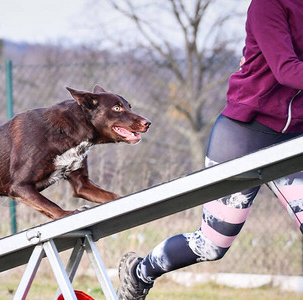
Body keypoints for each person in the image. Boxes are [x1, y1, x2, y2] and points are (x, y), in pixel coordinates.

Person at [117, 0, 303, 298]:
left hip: (295, 136)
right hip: (246, 133)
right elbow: (286, 70)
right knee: (213, 244)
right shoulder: (268, 5)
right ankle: (140, 272)